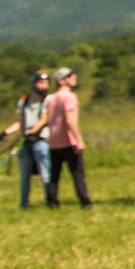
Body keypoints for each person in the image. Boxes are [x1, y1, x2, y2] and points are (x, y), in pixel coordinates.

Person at [0, 70, 54, 209]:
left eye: (47, 83)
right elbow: (20, 122)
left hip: (41, 141)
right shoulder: (24, 101)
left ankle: (50, 202)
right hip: (25, 143)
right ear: (33, 84)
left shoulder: (49, 100)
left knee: (46, 175)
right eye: (41, 83)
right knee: (25, 177)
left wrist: (31, 132)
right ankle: (24, 205)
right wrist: (4, 133)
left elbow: (44, 120)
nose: (44, 86)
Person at [45, 67, 91, 209]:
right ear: (61, 81)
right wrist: (78, 140)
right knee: (77, 173)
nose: (74, 77)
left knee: (54, 175)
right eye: (70, 75)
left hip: (53, 142)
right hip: (68, 141)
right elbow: (70, 120)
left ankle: (52, 202)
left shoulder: (51, 99)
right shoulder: (69, 97)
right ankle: (85, 202)